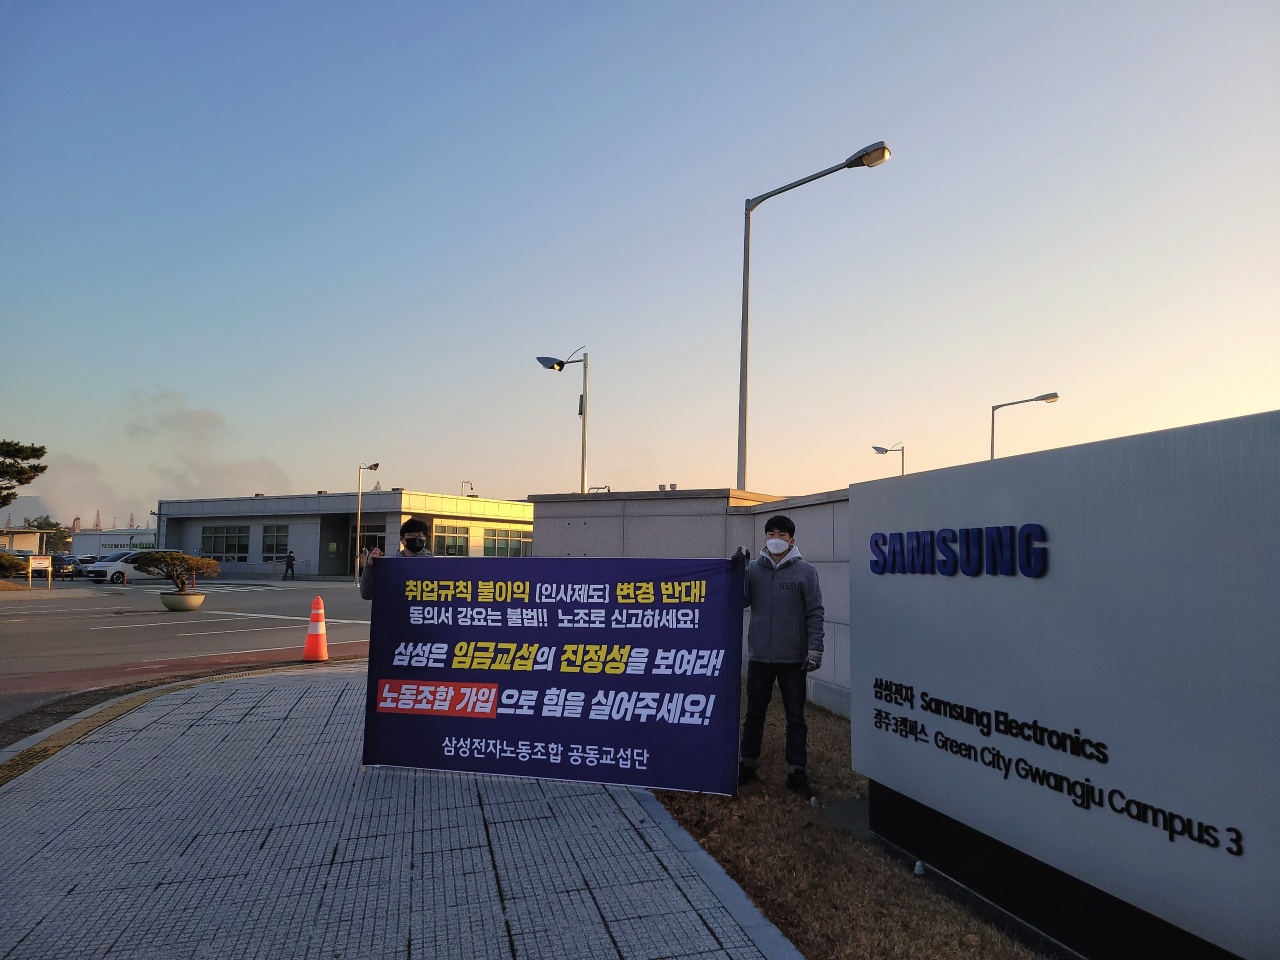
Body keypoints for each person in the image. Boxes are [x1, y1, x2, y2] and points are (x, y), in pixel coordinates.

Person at [738, 514, 825, 799]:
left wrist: (815, 649)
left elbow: (815, 612)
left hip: (793, 660)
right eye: (771, 534)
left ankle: (796, 772)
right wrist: (738, 571)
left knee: (795, 717)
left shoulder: (805, 572)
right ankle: (746, 765)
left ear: (791, 540)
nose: (775, 539)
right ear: (765, 537)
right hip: (760, 656)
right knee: (754, 713)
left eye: (781, 535)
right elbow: (741, 600)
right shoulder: (754, 569)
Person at [360, 518, 432, 599]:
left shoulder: (435, 566)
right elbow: (366, 594)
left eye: (420, 535)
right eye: (411, 535)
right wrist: (370, 566)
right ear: (402, 539)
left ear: (425, 539)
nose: (416, 538)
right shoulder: (390, 566)